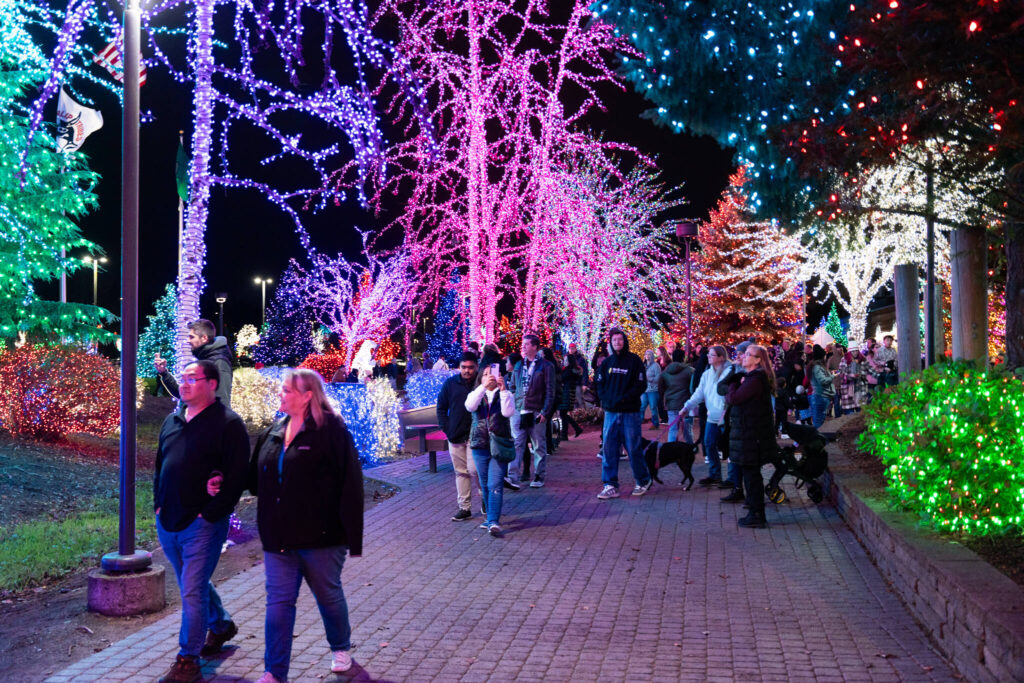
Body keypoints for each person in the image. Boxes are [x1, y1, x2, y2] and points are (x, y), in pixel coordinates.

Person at [247, 369, 364, 682]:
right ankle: (274, 672)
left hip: (321, 538)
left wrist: (352, 537)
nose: (281, 394)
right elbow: (255, 480)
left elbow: (351, 483)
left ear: (308, 394)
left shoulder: (331, 431)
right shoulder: (275, 430)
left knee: (328, 595)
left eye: (287, 390)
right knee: (279, 604)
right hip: (279, 538)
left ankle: (340, 647)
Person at [154, 360, 250, 683]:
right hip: (168, 522)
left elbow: (237, 478)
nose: (184, 383)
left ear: (211, 384)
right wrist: (157, 505)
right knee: (191, 584)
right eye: (183, 378)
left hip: (203, 527)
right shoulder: (172, 420)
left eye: (192, 379)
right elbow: (159, 466)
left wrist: (210, 513)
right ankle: (221, 625)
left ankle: (188, 661)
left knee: (191, 591)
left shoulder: (228, 424)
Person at [718, 344, 776, 528]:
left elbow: (733, 398)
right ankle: (754, 510)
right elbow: (724, 389)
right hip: (749, 434)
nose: (743, 357)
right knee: (749, 474)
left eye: (749, 355)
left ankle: (757, 514)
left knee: (752, 476)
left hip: (752, 436)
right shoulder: (751, 378)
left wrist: (734, 382)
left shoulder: (755, 379)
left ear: (758, 360)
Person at [594, 328, 653, 499]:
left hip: (630, 412)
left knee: (633, 448)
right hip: (611, 413)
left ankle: (642, 480)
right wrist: (606, 399)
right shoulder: (607, 363)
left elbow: (640, 385)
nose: (617, 343)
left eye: (620, 340)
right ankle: (610, 485)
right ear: (611, 343)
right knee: (609, 449)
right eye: (614, 340)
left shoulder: (634, 361)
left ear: (624, 341)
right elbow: (600, 384)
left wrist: (625, 398)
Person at [465, 362, 515, 536]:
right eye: (485, 374)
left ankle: (493, 521)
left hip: (499, 445)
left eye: (493, 373)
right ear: (481, 377)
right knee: (485, 484)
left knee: (495, 484)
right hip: (480, 445)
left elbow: (508, 412)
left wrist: (503, 390)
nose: (490, 376)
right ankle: (489, 519)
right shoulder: (476, 394)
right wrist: (482, 387)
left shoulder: (505, 394)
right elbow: (470, 406)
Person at [679, 345, 734, 491]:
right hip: (712, 416)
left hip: (726, 416)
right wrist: (687, 407)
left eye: (712, 355)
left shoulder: (729, 372)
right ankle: (715, 474)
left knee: (729, 447)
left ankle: (732, 478)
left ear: (721, 357)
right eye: (709, 354)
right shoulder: (707, 374)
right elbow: (699, 393)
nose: (708, 357)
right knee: (709, 443)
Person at [436, 352, 483, 521]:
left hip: (476, 434)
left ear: (476, 367)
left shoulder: (480, 383)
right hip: (455, 434)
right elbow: (441, 407)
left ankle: (484, 497)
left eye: (471, 367)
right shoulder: (451, 384)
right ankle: (464, 507)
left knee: (474, 470)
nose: (467, 371)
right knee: (461, 472)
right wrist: (447, 428)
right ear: (459, 367)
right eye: (464, 367)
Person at [507, 334, 555, 489]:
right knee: (517, 444)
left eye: (527, 344)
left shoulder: (546, 366)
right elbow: (513, 387)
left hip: (536, 410)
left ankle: (539, 475)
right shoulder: (519, 365)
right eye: (523, 344)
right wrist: (515, 403)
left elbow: (550, 391)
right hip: (519, 410)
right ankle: (512, 477)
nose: (524, 346)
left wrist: (545, 412)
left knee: (538, 445)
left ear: (535, 346)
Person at [156, 319, 234, 405]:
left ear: (204, 338)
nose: (188, 340)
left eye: (192, 337)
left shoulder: (219, 363)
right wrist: (164, 372)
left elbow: (222, 404)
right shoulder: (205, 359)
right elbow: (184, 394)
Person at [659, 356, 694, 443]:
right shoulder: (689, 371)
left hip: (671, 404)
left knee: (673, 429)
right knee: (687, 430)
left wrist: (664, 399)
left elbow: (660, 388)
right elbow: (693, 387)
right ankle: (690, 448)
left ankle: (671, 450)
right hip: (686, 404)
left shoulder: (665, 372)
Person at [807, 345, 835, 428]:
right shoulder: (817, 367)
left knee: (819, 421)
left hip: (820, 396)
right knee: (819, 423)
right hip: (820, 396)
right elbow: (823, 381)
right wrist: (833, 376)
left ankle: (818, 439)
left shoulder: (816, 366)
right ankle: (818, 440)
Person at [559, 354, 585, 440]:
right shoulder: (574, 370)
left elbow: (562, 379)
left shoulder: (568, 370)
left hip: (566, 392)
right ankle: (566, 434)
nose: (564, 361)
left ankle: (575, 429)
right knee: (564, 414)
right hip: (570, 392)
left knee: (563, 413)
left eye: (566, 360)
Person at [640, 349, 662, 428]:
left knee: (653, 406)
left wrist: (649, 379)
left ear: (652, 356)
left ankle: (655, 424)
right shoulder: (643, 366)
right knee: (642, 406)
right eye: (646, 354)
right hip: (644, 390)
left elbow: (658, 378)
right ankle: (639, 421)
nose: (647, 356)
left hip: (653, 390)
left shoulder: (656, 366)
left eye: (649, 354)